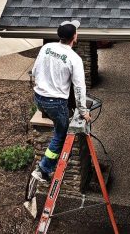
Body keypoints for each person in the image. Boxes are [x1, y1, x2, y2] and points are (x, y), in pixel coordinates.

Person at [31, 20, 91, 182]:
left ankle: (52, 158)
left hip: (39, 98)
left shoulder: (46, 48)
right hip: (55, 102)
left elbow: (35, 72)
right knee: (61, 133)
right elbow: (79, 89)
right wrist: (84, 112)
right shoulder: (74, 58)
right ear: (74, 37)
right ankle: (44, 169)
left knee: (61, 123)